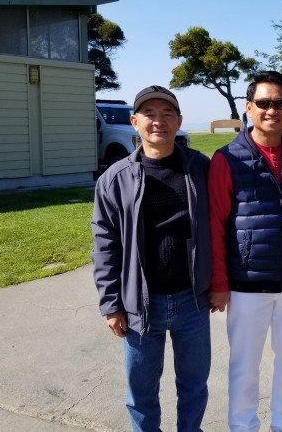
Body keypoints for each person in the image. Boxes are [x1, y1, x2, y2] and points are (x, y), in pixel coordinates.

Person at [91, 85, 212, 432]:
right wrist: (111, 304)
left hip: (192, 302)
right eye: (149, 114)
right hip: (139, 305)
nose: (159, 121)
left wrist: (218, 283)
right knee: (141, 394)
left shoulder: (200, 168)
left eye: (167, 113)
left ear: (179, 121)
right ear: (135, 122)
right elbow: (105, 246)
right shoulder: (114, 179)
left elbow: (221, 225)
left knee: (194, 386)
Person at [208, 71, 282, 432]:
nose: (272, 110)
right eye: (264, 103)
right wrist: (219, 283)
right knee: (244, 367)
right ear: (249, 108)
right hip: (246, 285)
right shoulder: (227, 158)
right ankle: (243, 427)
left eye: (280, 103)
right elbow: (215, 224)